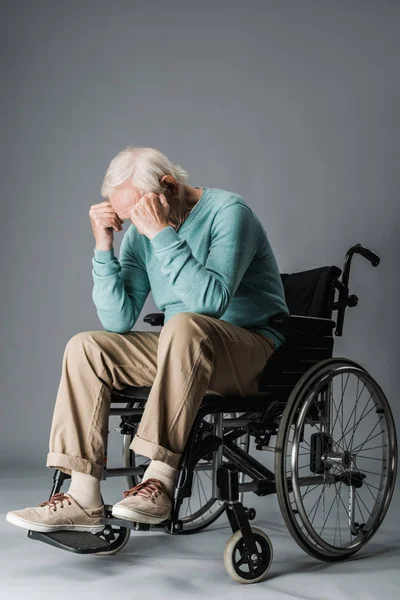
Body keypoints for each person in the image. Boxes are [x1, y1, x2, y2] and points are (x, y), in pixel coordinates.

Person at [6, 146, 289, 533]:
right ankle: (83, 496)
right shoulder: (140, 234)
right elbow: (117, 320)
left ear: (169, 187)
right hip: (185, 348)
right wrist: (104, 247)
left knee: (186, 324)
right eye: (127, 217)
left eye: (139, 213)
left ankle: (159, 480)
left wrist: (160, 233)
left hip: (253, 350)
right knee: (86, 347)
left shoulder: (228, 212)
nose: (135, 225)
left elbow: (211, 303)